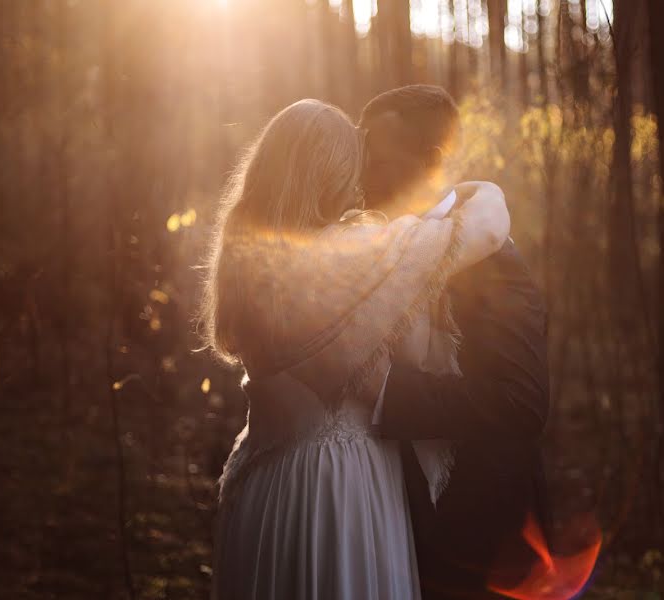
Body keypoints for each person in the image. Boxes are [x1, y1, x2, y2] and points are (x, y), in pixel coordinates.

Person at [202, 98, 510, 599]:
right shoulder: (349, 256)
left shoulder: (245, 265)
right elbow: (488, 228)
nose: (359, 184)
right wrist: (480, 188)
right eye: (352, 169)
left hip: (261, 487)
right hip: (336, 488)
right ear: (329, 174)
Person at [360, 85, 552, 598]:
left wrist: (388, 393)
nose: (363, 173)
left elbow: (522, 402)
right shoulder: (375, 246)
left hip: (482, 537)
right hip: (398, 523)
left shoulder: (492, 258)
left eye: (379, 158)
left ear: (430, 161)